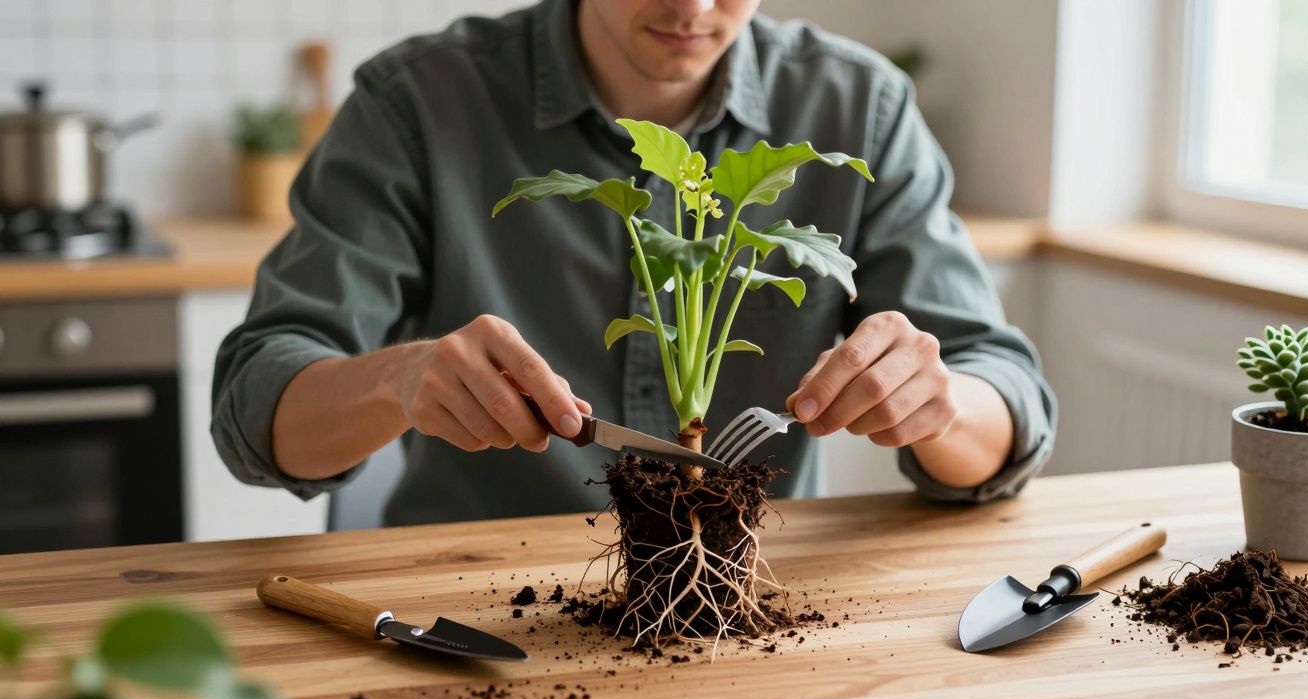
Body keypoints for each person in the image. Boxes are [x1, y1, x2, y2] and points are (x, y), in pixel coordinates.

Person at [212, 0, 1056, 527]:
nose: (692, 5)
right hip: (474, 610)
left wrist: (940, 406)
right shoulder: (419, 104)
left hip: (739, 611)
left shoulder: (857, 107)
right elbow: (256, 408)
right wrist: (401, 380)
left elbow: (1007, 406)